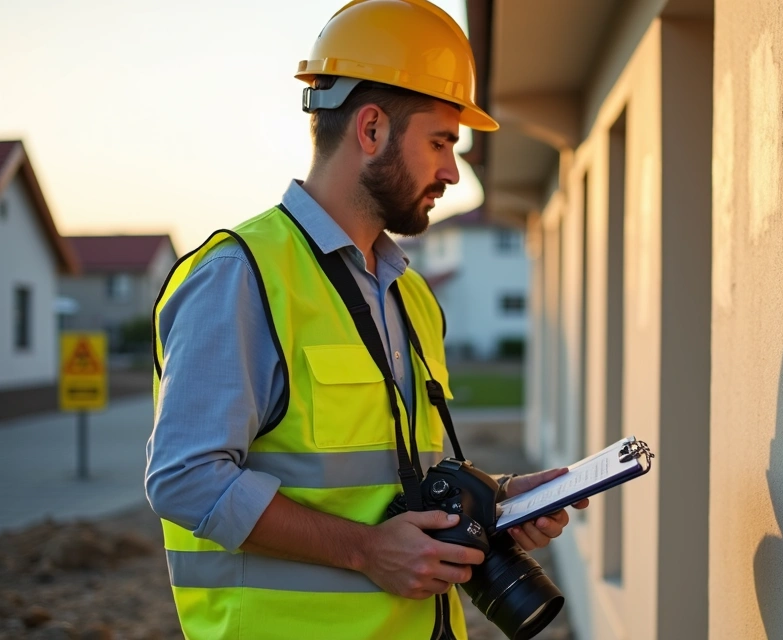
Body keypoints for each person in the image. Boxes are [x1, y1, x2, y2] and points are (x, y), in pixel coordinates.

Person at [143, 1, 585, 637]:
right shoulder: (240, 277)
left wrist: (497, 500)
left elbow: (391, 477)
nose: (452, 172)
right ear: (371, 129)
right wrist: (365, 550)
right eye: (440, 142)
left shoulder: (412, 296)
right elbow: (185, 480)